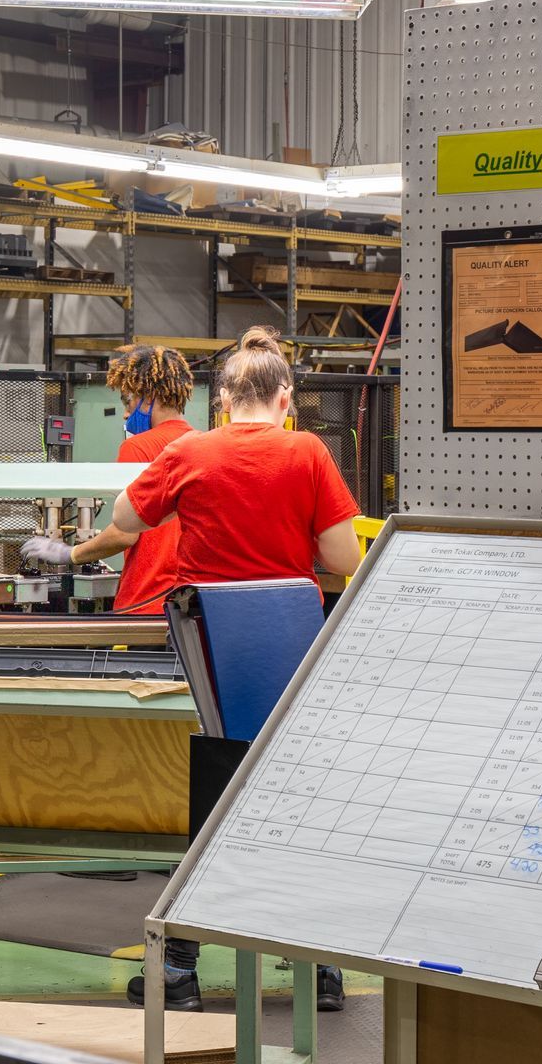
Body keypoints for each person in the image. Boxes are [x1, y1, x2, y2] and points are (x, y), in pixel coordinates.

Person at [116, 325, 363, 1014]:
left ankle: (181, 968)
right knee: (291, 803)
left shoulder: (191, 449)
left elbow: (123, 517)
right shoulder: (308, 451)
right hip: (288, 644)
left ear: (221, 400)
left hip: (209, 648)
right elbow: (343, 559)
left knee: (217, 801)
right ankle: (318, 966)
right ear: (286, 396)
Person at [21, 344, 196, 614]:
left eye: (128, 401)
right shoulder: (200, 444)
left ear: (148, 398)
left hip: (146, 603)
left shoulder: (136, 448)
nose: (126, 414)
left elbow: (125, 534)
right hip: (188, 606)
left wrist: (69, 554)